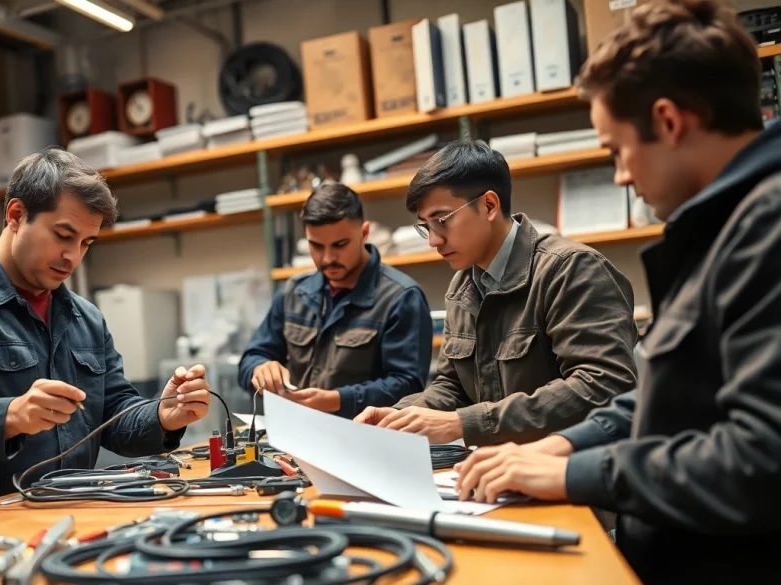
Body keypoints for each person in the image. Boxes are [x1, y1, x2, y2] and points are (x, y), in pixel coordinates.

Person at [452, 0, 781, 581]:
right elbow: (660, 394)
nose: (621, 176)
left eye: (616, 150)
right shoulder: (720, 229)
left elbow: (761, 461)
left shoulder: (767, 228)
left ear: (670, 122)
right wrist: (564, 446)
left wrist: (575, 475)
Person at [0, 148, 211, 520]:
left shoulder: (86, 318)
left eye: (86, 244)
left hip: (67, 515)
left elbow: (112, 415)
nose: (73, 257)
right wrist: (10, 415)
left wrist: (162, 415)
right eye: (64, 236)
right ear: (16, 215)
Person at [354, 139, 638, 446]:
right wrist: (397, 417)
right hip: (498, 471)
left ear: (489, 205)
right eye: (425, 226)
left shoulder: (570, 269)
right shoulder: (463, 285)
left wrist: (464, 422)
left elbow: (602, 385)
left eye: (442, 221)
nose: (433, 241)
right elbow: (454, 386)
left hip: (571, 470)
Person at [238, 182, 433, 418]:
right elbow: (250, 359)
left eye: (340, 245)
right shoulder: (293, 292)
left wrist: (337, 400)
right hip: (298, 435)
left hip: (366, 439)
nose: (328, 258)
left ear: (363, 233)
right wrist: (259, 368)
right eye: (316, 246)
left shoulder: (401, 297)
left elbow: (408, 386)